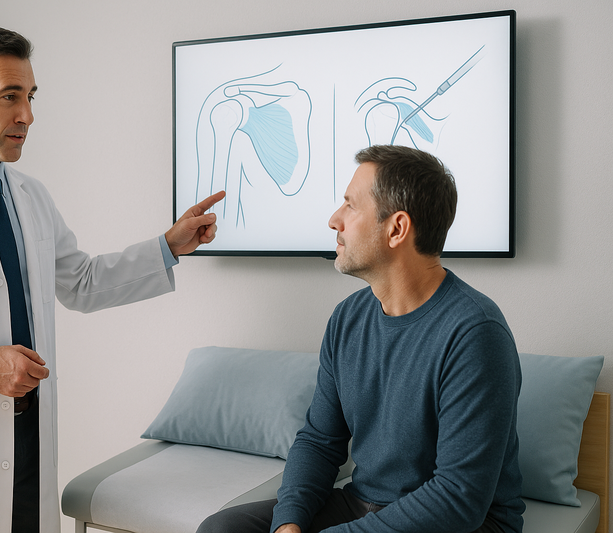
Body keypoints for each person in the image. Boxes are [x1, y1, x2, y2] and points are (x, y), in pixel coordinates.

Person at [0, 26, 224, 533]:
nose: (27, 115)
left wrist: (169, 246)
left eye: (30, 96)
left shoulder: (30, 197)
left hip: (29, 437)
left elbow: (81, 282)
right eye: (10, 96)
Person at [197, 145, 524, 533]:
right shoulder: (348, 318)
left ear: (396, 229)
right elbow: (320, 441)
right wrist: (288, 523)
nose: (334, 220)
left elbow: (457, 498)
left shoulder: (475, 333)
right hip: (361, 503)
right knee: (221, 529)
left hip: (461, 523)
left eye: (350, 206)